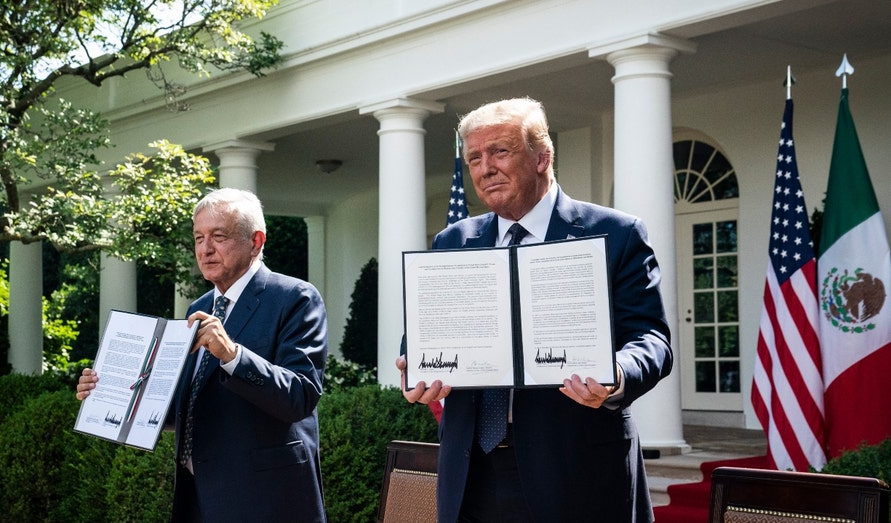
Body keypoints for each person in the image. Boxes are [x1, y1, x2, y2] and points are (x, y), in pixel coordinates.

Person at [396, 97, 673, 522]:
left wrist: (616, 374)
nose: (485, 167)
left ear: (543, 157)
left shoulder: (615, 233)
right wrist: (413, 367)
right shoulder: (452, 241)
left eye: (500, 152)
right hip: (472, 475)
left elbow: (651, 339)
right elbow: (423, 335)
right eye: (474, 157)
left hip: (577, 472)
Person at [76, 188, 328, 523]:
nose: (205, 249)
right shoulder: (199, 308)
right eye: (198, 237)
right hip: (198, 497)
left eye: (218, 237)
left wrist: (233, 355)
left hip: (266, 499)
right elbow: (187, 406)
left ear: (256, 241)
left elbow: (300, 396)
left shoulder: (295, 298)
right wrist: (110, 395)